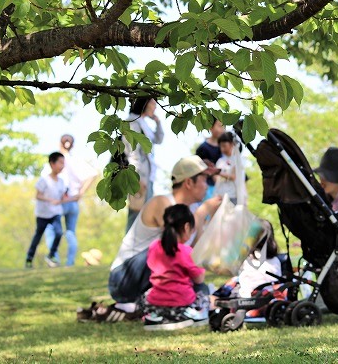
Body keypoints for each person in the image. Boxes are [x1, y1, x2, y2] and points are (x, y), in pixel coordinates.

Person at [89, 155, 221, 322]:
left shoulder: (192, 211)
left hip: (149, 278)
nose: (206, 186)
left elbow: (193, 256)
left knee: (194, 280)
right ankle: (139, 305)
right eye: (204, 180)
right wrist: (202, 213)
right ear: (189, 183)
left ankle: (143, 307)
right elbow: (176, 247)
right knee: (162, 250)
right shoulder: (162, 203)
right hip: (124, 279)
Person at [141, 204, 210, 331]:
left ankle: (156, 317)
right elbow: (199, 279)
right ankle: (196, 313)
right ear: (186, 227)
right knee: (203, 288)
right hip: (182, 304)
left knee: (148, 292)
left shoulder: (154, 247)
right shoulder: (186, 251)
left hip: (156, 303)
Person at [44, 134, 98, 266]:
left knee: (51, 229)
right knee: (70, 232)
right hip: (73, 201)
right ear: (72, 145)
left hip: (59, 201)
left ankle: (54, 259)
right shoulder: (76, 160)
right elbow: (93, 174)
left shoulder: (55, 161)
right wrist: (81, 192)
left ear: (59, 144)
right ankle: (70, 263)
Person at [25, 152, 78, 268]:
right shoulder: (43, 180)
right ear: (52, 164)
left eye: (63, 163)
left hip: (55, 213)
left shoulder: (61, 182)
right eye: (60, 163)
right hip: (43, 214)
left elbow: (62, 198)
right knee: (38, 236)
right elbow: (37, 196)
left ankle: (51, 254)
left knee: (59, 233)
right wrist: (49, 200)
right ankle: (29, 259)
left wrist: (73, 198)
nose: (62, 166)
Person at [124, 98, 165, 232]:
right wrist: (137, 177)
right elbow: (132, 152)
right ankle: (128, 251)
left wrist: (158, 122)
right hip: (140, 175)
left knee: (144, 215)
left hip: (149, 175)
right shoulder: (132, 121)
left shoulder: (144, 123)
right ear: (144, 104)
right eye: (153, 103)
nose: (155, 107)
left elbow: (158, 139)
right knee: (136, 215)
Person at [195, 117, 225, 199]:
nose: (222, 129)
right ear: (210, 127)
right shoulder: (203, 148)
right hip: (209, 187)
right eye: (219, 126)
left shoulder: (225, 149)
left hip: (223, 186)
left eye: (224, 126)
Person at [213, 132, 244, 204]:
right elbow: (216, 178)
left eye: (224, 146)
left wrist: (218, 172)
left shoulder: (237, 160)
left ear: (232, 144)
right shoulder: (220, 161)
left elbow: (234, 176)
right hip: (220, 195)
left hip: (233, 195)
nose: (222, 149)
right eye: (220, 146)